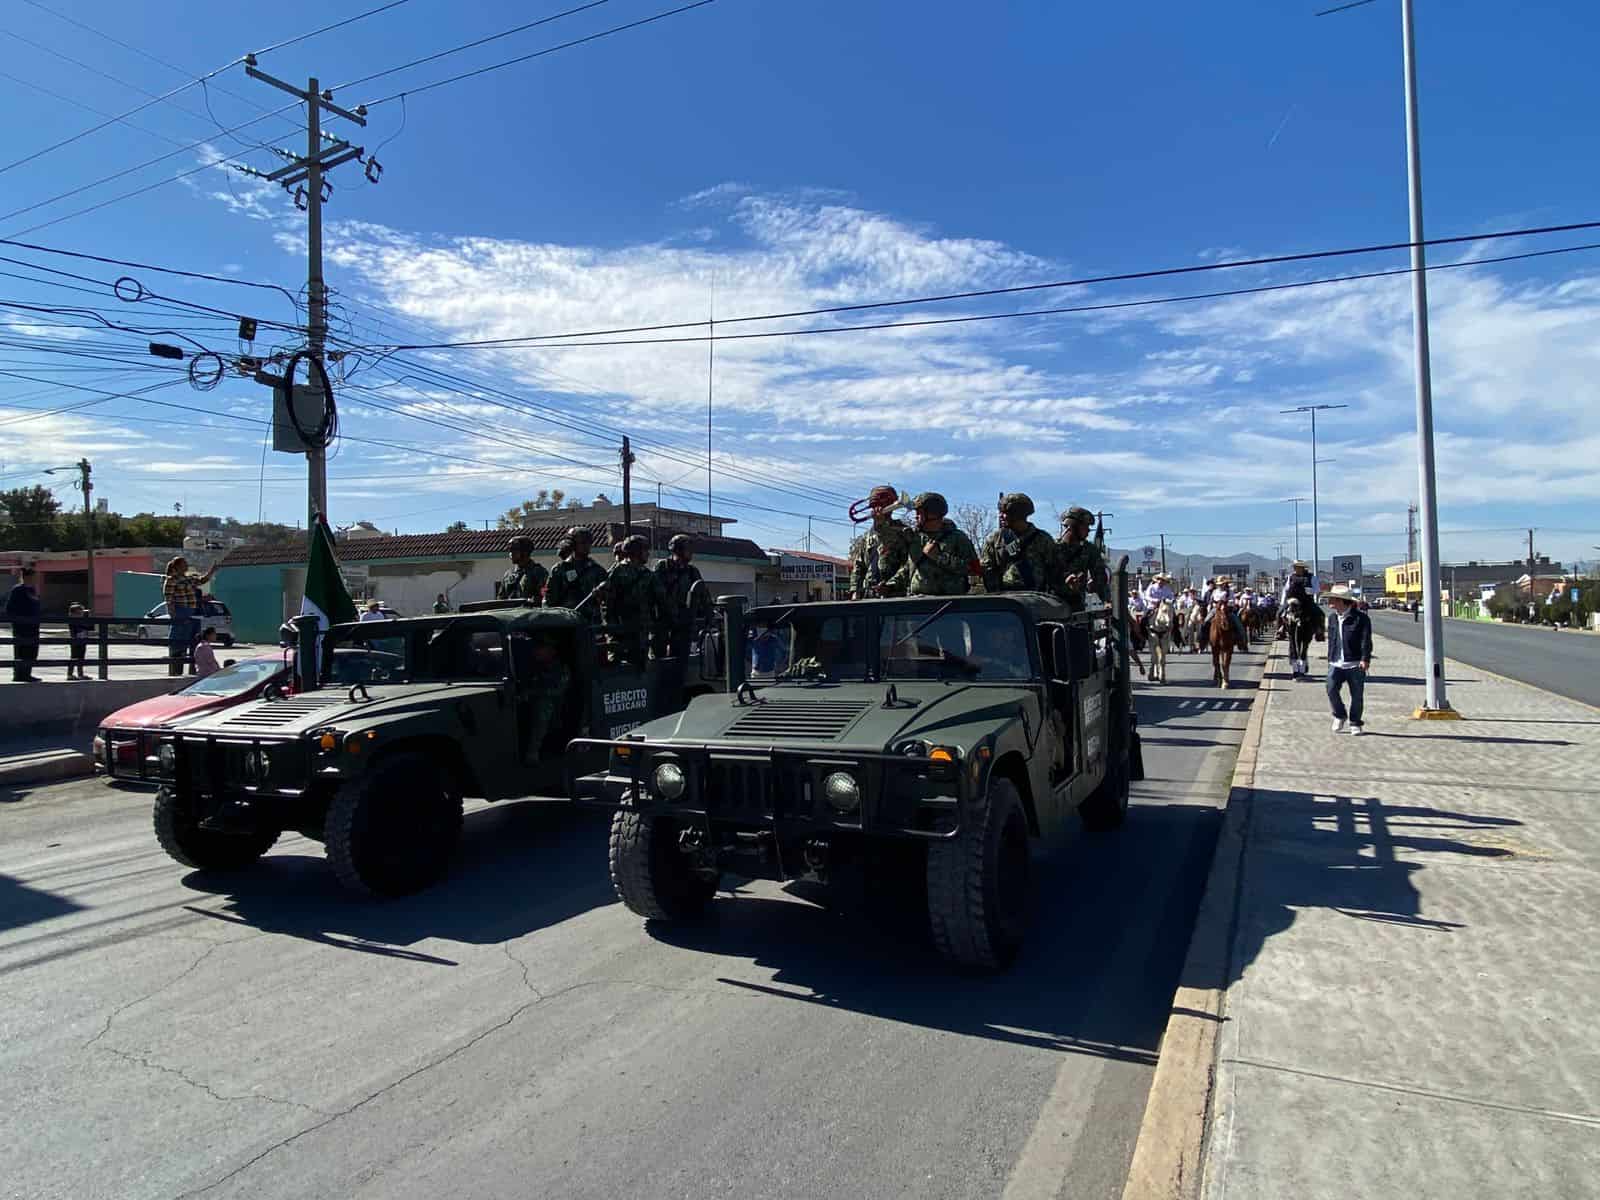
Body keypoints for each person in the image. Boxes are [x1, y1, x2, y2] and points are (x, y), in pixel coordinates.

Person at [883, 492, 977, 596]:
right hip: (918, 602)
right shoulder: (916, 538)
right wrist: (890, 585)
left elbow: (973, 570)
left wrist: (939, 557)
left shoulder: (957, 538)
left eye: (919, 513)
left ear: (933, 514)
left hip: (950, 604)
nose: (916, 517)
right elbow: (909, 569)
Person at [596, 534, 663, 665]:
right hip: (619, 630)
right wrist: (612, 627)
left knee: (640, 667)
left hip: (640, 631)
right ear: (636, 552)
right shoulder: (617, 573)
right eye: (645, 550)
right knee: (616, 667)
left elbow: (661, 600)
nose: (648, 554)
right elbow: (607, 604)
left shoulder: (648, 575)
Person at [979, 493, 1059, 594]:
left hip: (1036, 597)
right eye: (1001, 512)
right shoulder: (995, 539)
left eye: (1005, 513)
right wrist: (995, 594)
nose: (1001, 516)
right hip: (1004, 598)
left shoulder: (1043, 539)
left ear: (1018, 514)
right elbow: (987, 569)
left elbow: (1054, 570)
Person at [849, 484, 913, 599]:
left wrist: (890, 586)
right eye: (874, 506)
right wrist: (855, 590)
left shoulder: (903, 531)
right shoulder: (868, 535)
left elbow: (909, 564)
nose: (875, 510)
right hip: (869, 594)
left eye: (880, 506)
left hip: (894, 594)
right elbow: (859, 565)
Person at [1324, 584, 1373, 735]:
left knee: (1357, 695)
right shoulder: (1332, 618)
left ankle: (1355, 722)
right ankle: (1339, 715)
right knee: (1331, 688)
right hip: (1336, 662)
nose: (1329, 601)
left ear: (1342, 601)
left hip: (1355, 663)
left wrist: (1365, 659)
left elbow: (1366, 640)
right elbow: (1332, 639)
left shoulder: (1361, 619)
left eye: (1333, 598)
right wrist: (1330, 657)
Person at [654, 533, 711, 658]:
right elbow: (657, 593)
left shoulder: (692, 571)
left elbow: (703, 593)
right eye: (688, 550)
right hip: (663, 619)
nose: (691, 553)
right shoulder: (663, 566)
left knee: (681, 657)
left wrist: (709, 612)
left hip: (683, 621)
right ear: (678, 550)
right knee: (659, 657)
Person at [517, 634, 569, 765]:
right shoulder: (532, 666)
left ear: (552, 651)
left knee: (543, 706)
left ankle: (533, 752)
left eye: (541, 648)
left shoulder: (561, 669)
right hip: (531, 703)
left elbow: (557, 691)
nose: (536, 651)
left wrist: (532, 693)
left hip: (554, 710)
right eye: (536, 648)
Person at [162, 556, 215, 678]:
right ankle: (175, 671)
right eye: (184, 564)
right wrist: (173, 614)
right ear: (178, 566)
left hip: (191, 612)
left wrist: (212, 571)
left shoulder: (188, 579)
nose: (186, 566)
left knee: (192, 640)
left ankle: (193, 670)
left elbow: (202, 580)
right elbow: (168, 599)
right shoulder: (171, 580)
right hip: (180, 611)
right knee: (178, 639)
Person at [1057, 506, 1109, 612]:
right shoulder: (1050, 547)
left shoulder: (1089, 550)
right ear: (1072, 526)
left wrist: (1107, 601)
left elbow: (1100, 580)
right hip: (1049, 607)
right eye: (1085, 526)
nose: (1089, 530)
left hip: (1076, 609)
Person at [544, 527, 608, 611]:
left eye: (589, 543)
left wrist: (601, 596)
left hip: (591, 620)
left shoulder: (597, 570)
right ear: (572, 544)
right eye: (583, 543)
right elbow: (548, 599)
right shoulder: (559, 569)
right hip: (566, 619)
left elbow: (608, 601)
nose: (587, 546)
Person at [6, 565, 42, 682]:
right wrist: (20, 619)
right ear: (26, 577)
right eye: (32, 577)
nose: (34, 579)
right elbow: (10, 608)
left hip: (34, 626)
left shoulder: (33, 590)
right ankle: (19, 675)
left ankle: (27, 673)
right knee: (22, 651)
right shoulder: (18, 590)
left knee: (32, 651)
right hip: (22, 627)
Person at [497, 534, 547, 603]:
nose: (510, 554)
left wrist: (531, 601)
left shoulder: (539, 572)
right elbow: (500, 601)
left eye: (514, 550)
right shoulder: (508, 575)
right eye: (510, 551)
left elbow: (545, 598)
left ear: (525, 552)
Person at [66, 602, 92, 680]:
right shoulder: (73, 621)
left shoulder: (82, 620)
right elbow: (77, 629)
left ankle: (80, 674)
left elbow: (89, 627)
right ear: (72, 613)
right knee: (74, 657)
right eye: (78, 613)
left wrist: (87, 616)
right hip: (75, 640)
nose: (81, 614)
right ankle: (69, 674)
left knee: (81, 658)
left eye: (81, 612)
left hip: (83, 640)